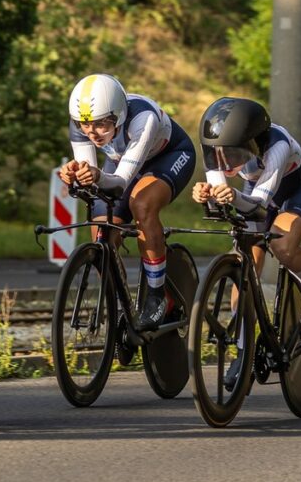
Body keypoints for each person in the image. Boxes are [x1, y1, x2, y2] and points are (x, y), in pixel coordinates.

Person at [57, 74, 197, 330]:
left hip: (169, 155)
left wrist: (97, 175)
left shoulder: (144, 119)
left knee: (142, 204)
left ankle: (157, 297)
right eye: (85, 125)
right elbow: (89, 173)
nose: (92, 132)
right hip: (123, 158)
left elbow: (120, 182)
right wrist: (75, 175)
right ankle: (121, 304)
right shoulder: (81, 126)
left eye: (101, 124)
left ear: (119, 114)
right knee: (101, 230)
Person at [191, 97, 301, 345]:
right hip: (257, 189)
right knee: (246, 263)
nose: (223, 163)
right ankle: (245, 350)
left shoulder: (278, 145)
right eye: (217, 154)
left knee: (282, 246)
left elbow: (257, 205)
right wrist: (208, 195)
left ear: (253, 144)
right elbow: (224, 199)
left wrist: (232, 196)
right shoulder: (215, 144)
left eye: (232, 154)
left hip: (300, 189)